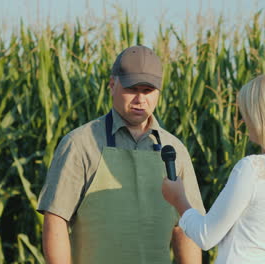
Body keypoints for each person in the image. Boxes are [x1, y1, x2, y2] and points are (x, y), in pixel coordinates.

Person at [37, 45, 205, 264]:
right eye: (132, 89)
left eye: (148, 90)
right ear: (112, 84)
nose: (140, 99)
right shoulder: (80, 144)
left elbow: (186, 226)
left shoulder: (174, 151)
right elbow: (56, 219)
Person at [162, 73, 265, 264]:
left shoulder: (254, 169)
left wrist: (179, 198)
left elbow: (206, 236)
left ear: (263, 118)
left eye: (248, 111)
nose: (244, 118)